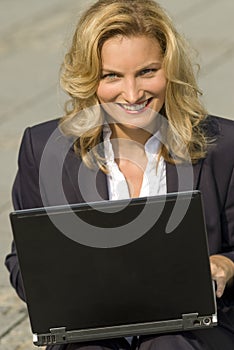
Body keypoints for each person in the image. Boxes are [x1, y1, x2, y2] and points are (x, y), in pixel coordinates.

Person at [5, 0, 234, 349]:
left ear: (170, 70)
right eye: (112, 75)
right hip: (90, 331)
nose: (131, 94)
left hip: (191, 333)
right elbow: (23, 261)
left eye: (147, 72)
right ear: (88, 78)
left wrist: (225, 266)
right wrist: (58, 288)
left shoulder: (223, 145)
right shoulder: (43, 148)